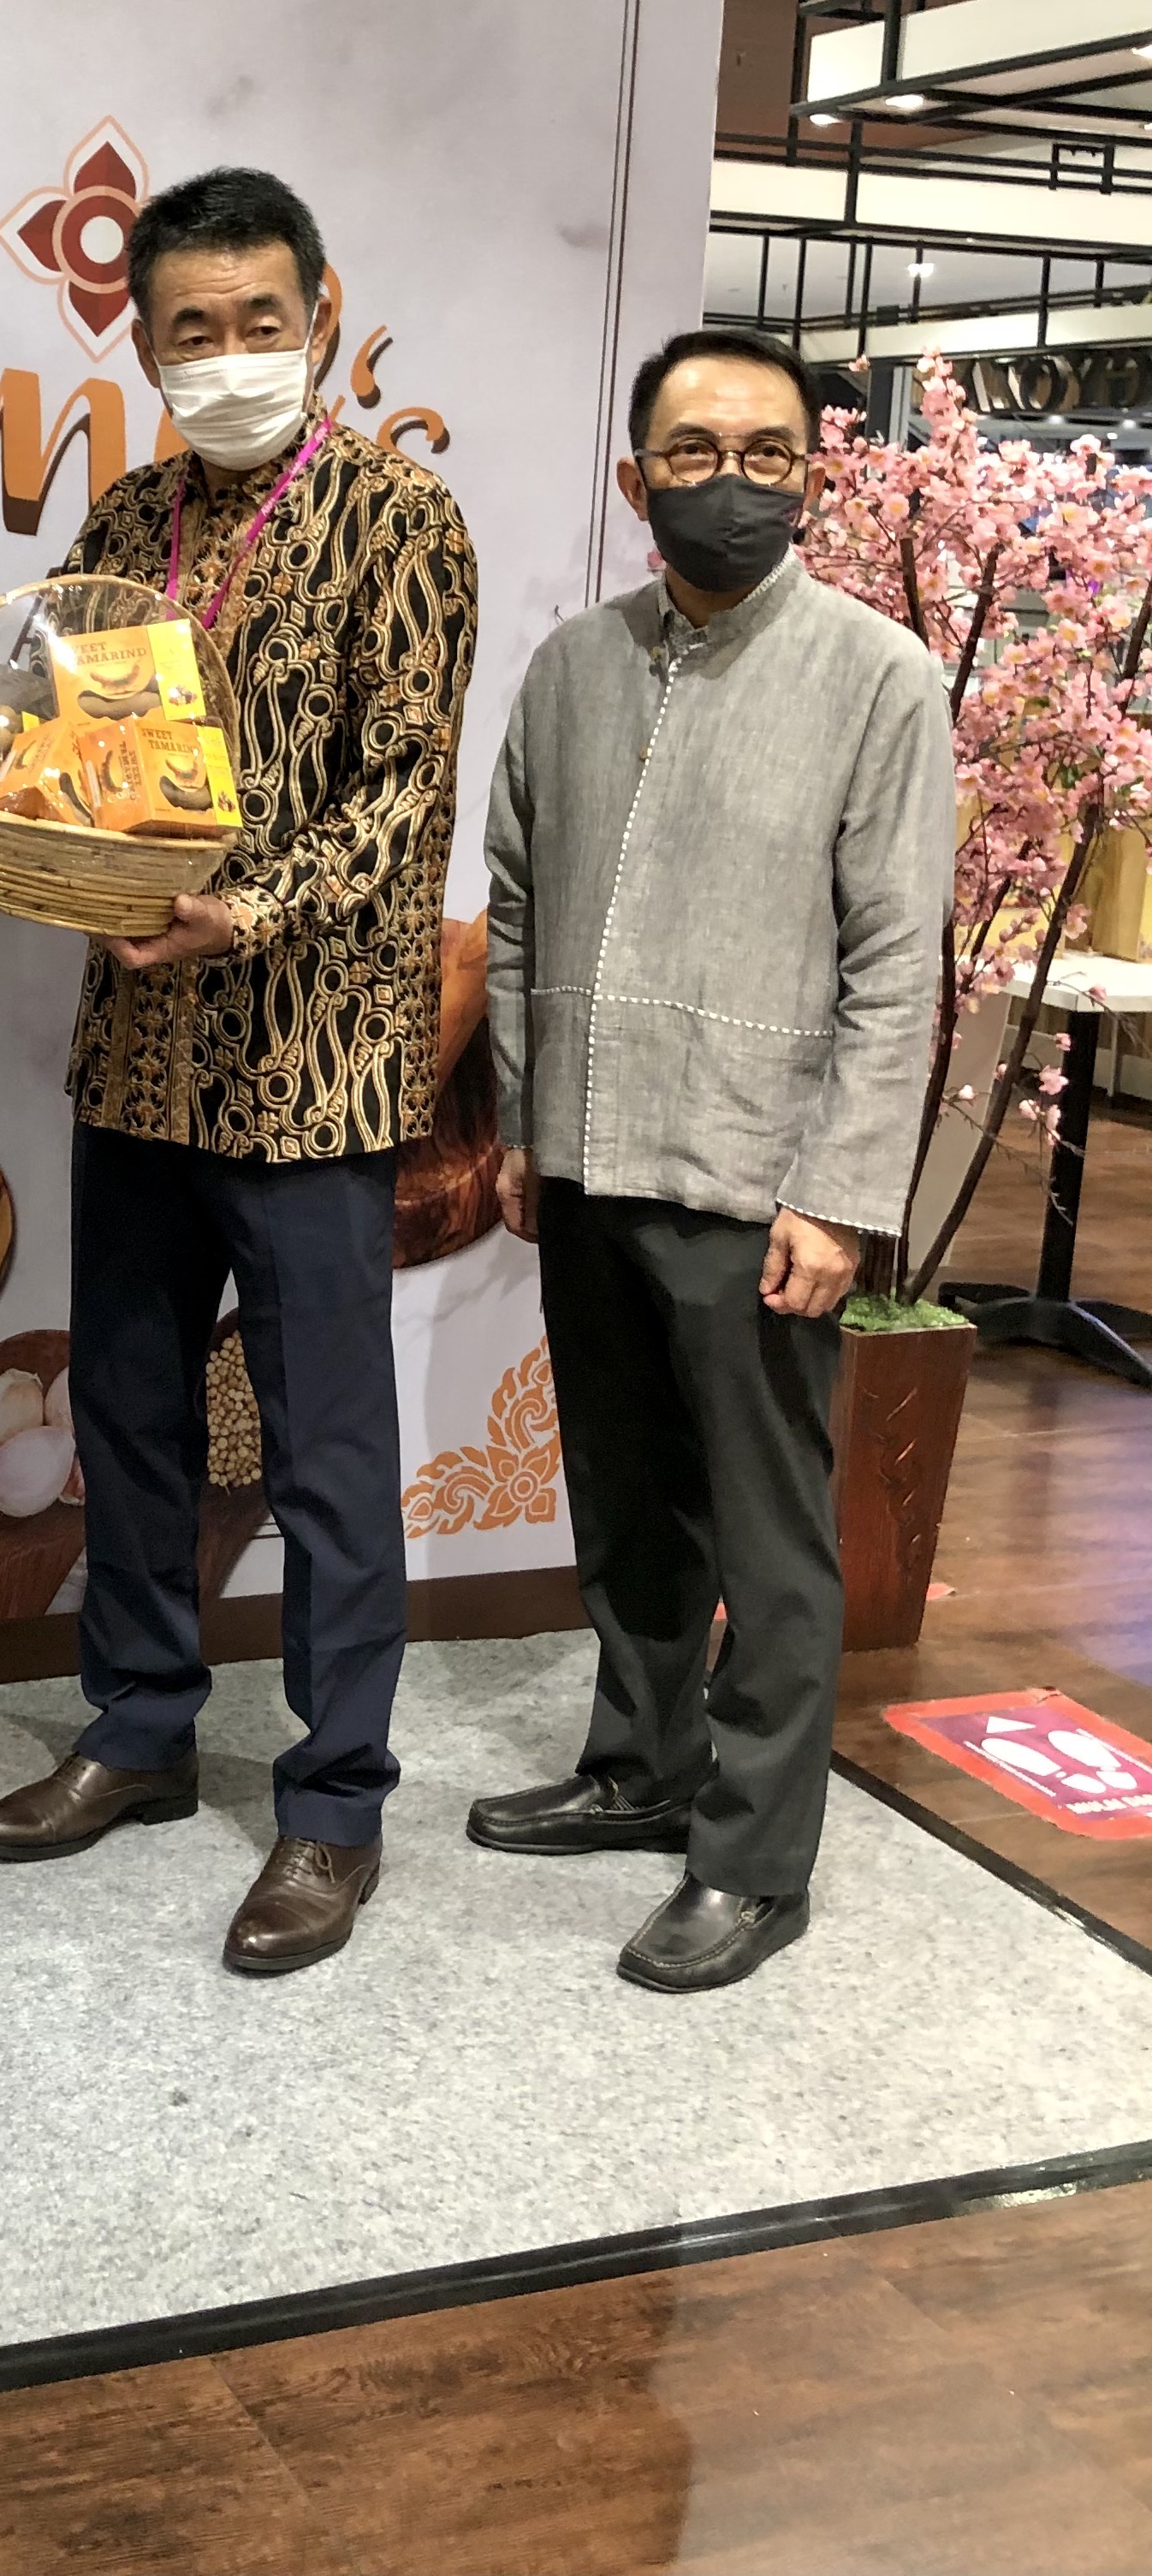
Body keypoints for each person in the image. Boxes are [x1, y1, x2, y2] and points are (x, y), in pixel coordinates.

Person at [0, 167, 479, 1975]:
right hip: (139, 1053)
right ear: (144, 345)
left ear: (322, 315)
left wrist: (246, 909)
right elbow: (87, 773)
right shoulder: (126, 519)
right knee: (128, 1413)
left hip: (312, 1060)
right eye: (195, 328)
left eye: (264, 320)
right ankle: (139, 1730)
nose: (233, 352)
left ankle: (334, 1806)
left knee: (326, 1449)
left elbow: (404, 790)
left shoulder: (402, 518)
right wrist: (15, 850)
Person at [472, 326, 954, 1991]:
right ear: (637, 480)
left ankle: (753, 1858)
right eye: (695, 453)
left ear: (810, 476)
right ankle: (640, 1767)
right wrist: (527, 1124)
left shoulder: (877, 676)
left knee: (769, 1534)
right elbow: (518, 907)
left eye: (767, 454)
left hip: (761, 1182)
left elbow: (898, 959)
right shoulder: (573, 669)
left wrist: (842, 1194)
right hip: (589, 1156)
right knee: (624, 1499)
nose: (732, 482)